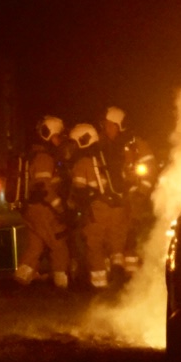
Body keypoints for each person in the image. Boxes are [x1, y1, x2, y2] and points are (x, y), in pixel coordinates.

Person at [14, 115, 71, 289]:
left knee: (35, 247)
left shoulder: (33, 155)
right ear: (51, 136)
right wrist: (60, 208)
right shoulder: (45, 158)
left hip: (31, 210)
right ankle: (62, 283)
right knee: (59, 245)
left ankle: (21, 277)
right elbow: (44, 188)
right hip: (43, 210)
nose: (59, 141)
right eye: (58, 136)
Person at [70, 122, 125, 288]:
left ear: (82, 141)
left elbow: (79, 192)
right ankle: (118, 276)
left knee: (94, 245)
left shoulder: (82, 163)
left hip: (97, 210)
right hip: (115, 207)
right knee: (113, 242)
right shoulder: (105, 157)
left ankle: (99, 285)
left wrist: (73, 209)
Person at [102, 106, 155, 272]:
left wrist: (141, 192)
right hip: (117, 198)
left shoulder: (136, 144)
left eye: (109, 125)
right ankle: (117, 272)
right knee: (115, 234)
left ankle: (131, 274)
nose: (106, 128)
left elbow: (150, 169)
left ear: (118, 125)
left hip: (134, 197)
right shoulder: (106, 146)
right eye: (105, 125)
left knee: (131, 234)